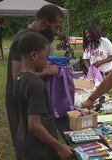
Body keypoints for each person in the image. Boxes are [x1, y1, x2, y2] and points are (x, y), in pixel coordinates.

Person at [5, 4, 64, 159]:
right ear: (44, 22)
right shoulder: (23, 39)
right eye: (56, 27)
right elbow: (17, 75)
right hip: (23, 106)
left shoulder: (31, 36)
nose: (57, 33)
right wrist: (47, 71)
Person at [13, 32, 74, 160]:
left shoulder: (19, 78)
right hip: (39, 151)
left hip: (24, 144)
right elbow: (34, 125)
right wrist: (59, 147)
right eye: (46, 57)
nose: (47, 63)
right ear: (34, 55)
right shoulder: (36, 84)